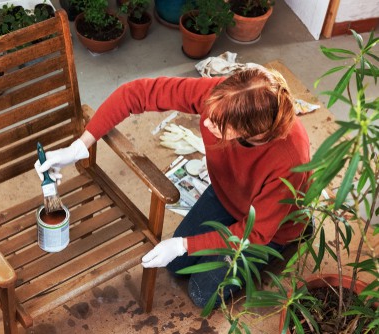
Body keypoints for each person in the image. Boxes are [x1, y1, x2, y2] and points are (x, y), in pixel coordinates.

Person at [34, 67, 311, 308]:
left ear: (248, 132)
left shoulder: (289, 157)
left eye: (217, 125)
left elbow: (257, 232)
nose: (205, 121)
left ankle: (295, 236)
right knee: (177, 265)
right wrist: (80, 146)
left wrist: (183, 244)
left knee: (202, 293)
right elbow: (136, 93)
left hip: (266, 228)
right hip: (228, 196)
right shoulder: (223, 99)